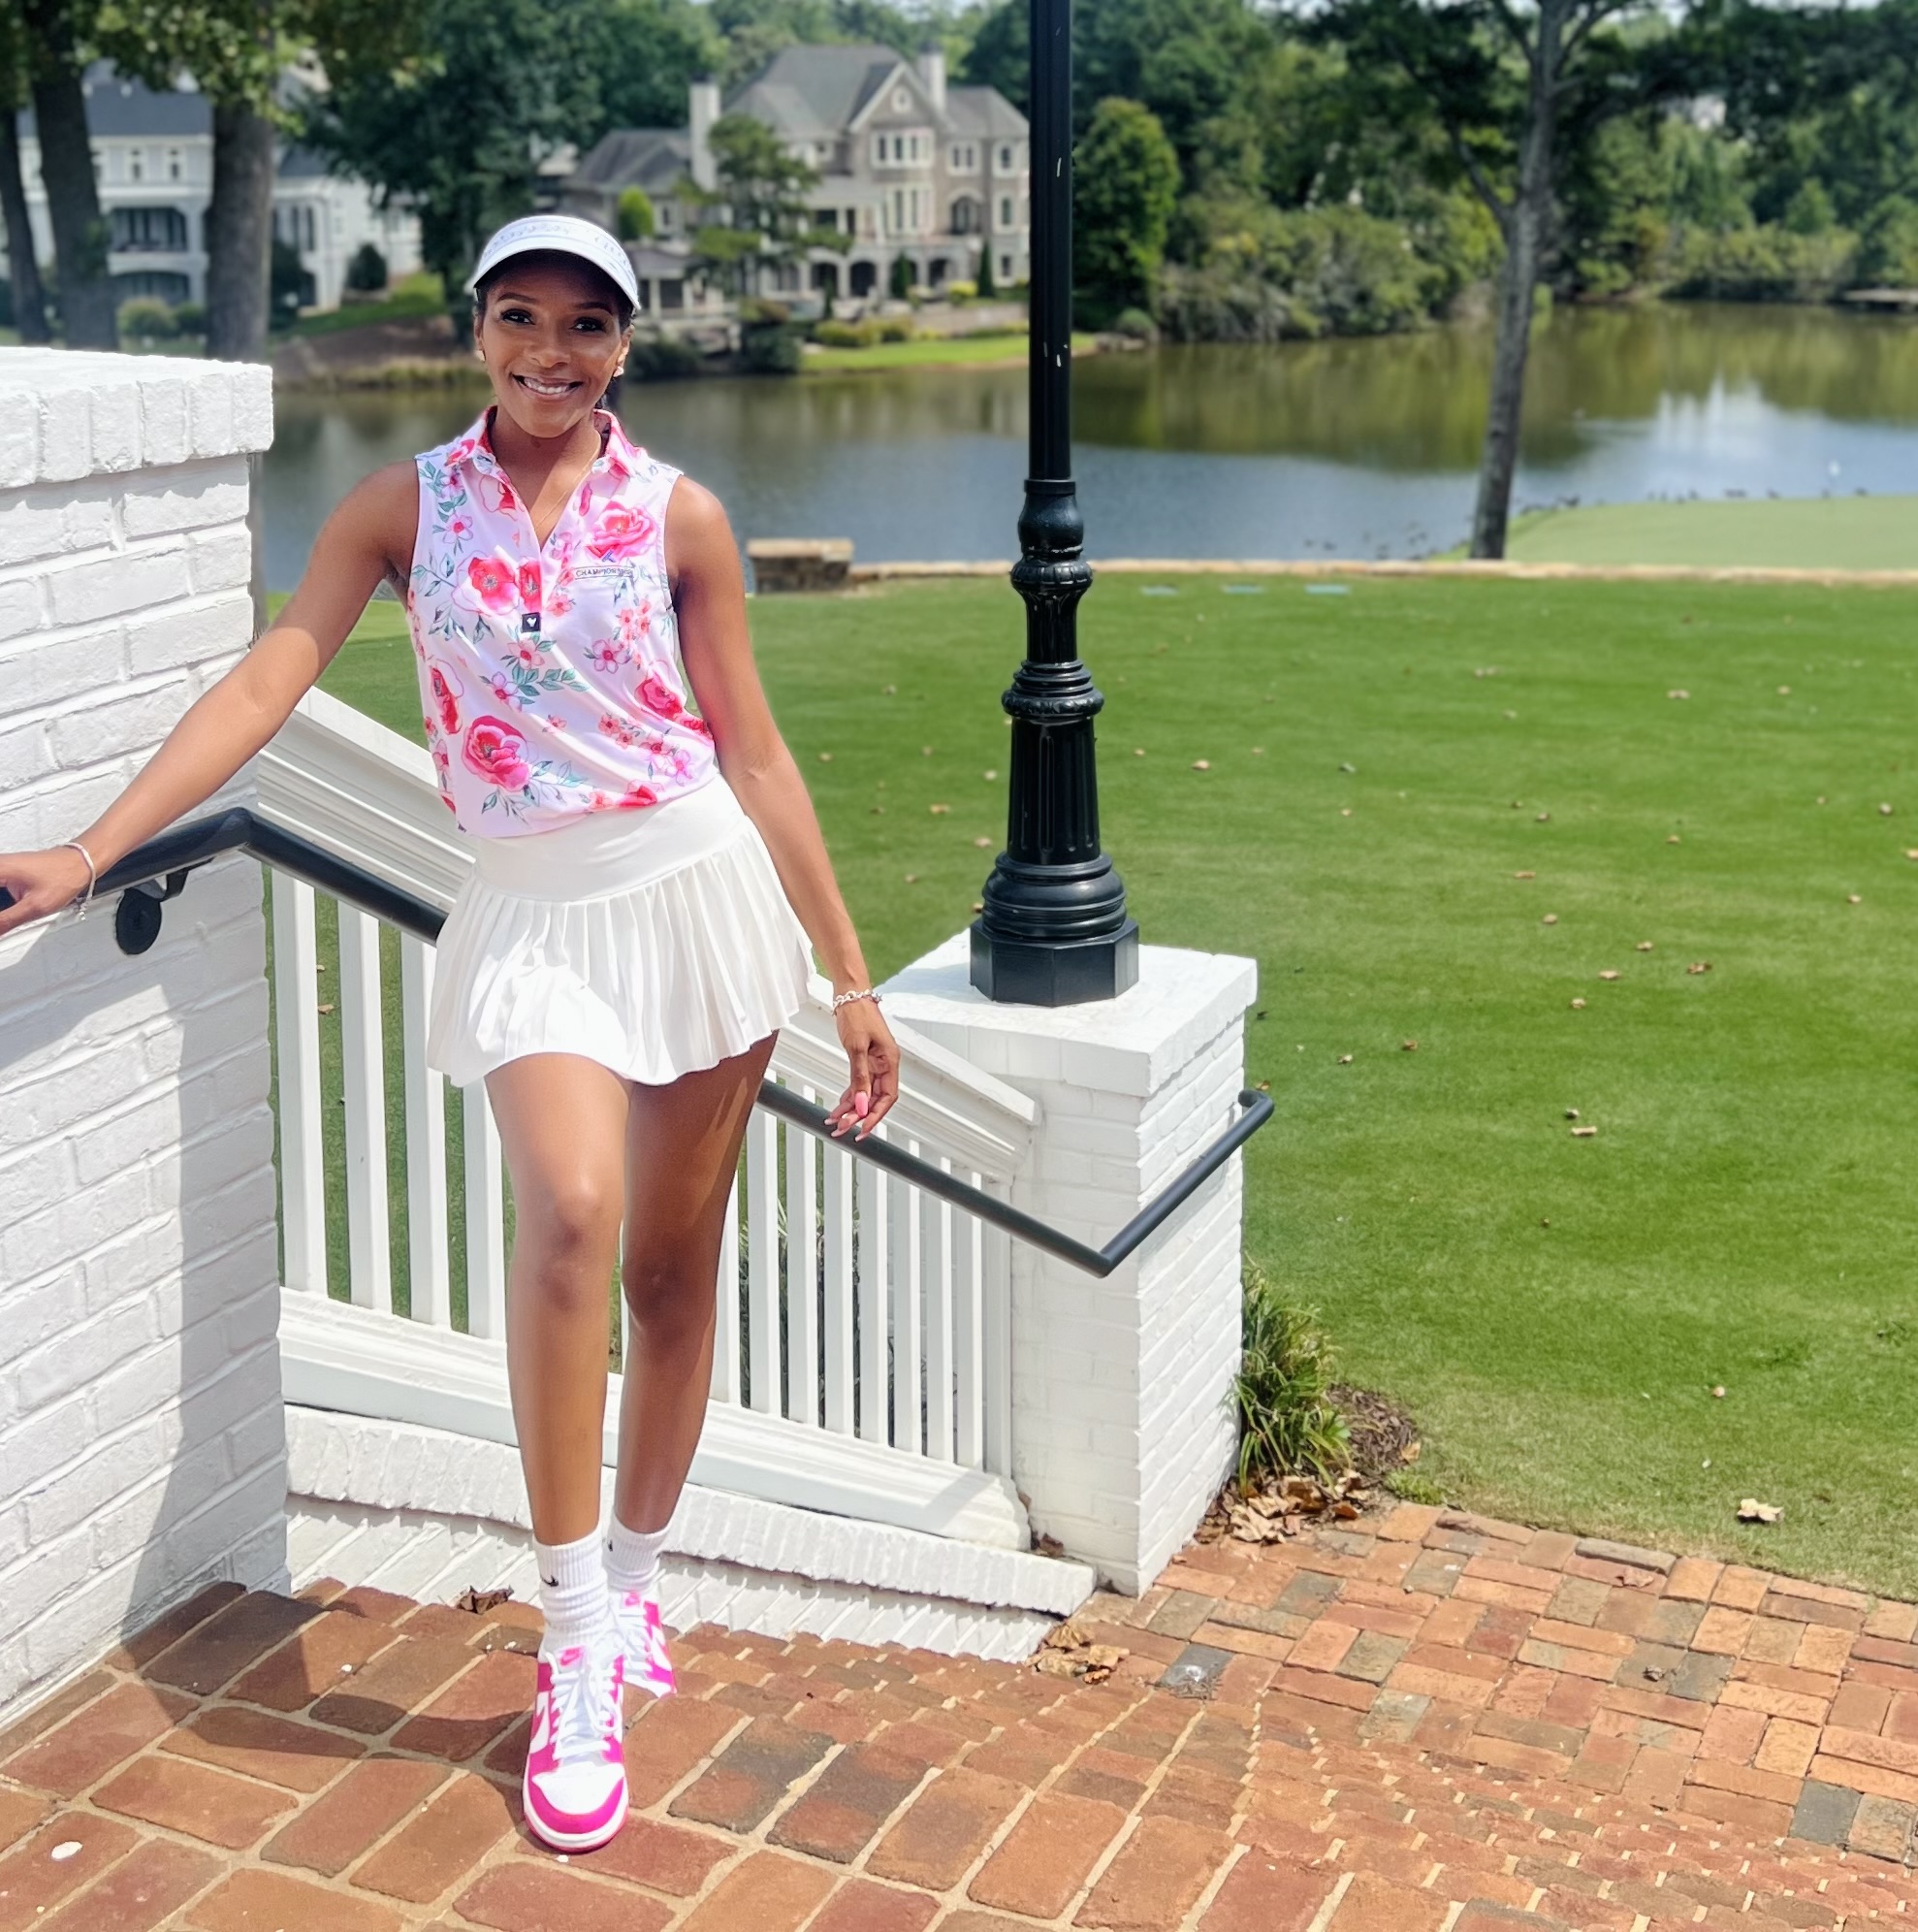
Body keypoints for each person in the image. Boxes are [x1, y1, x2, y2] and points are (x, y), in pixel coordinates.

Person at [0, 212, 901, 1854]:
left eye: (586, 325)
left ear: (624, 345)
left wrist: (846, 978)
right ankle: (573, 1640)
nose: (551, 352)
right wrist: (94, 846)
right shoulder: (399, 506)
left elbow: (755, 754)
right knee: (569, 1215)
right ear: (475, 329)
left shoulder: (679, 516)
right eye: (520, 317)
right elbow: (267, 680)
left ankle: (638, 1575)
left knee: (671, 1277)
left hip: (697, 895)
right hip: (536, 914)